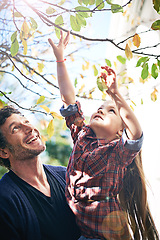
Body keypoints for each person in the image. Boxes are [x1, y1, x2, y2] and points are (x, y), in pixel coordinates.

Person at [48, 31, 159, 240]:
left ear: (120, 131)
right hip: (84, 232)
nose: (101, 110)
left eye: (111, 111)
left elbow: (136, 134)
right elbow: (69, 101)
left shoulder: (116, 154)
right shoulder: (82, 137)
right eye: (100, 107)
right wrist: (60, 59)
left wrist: (115, 94)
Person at [0, 106, 84, 240]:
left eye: (26, 122)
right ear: (4, 152)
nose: (29, 128)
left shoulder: (66, 175)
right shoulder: (4, 199)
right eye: (15, 128)